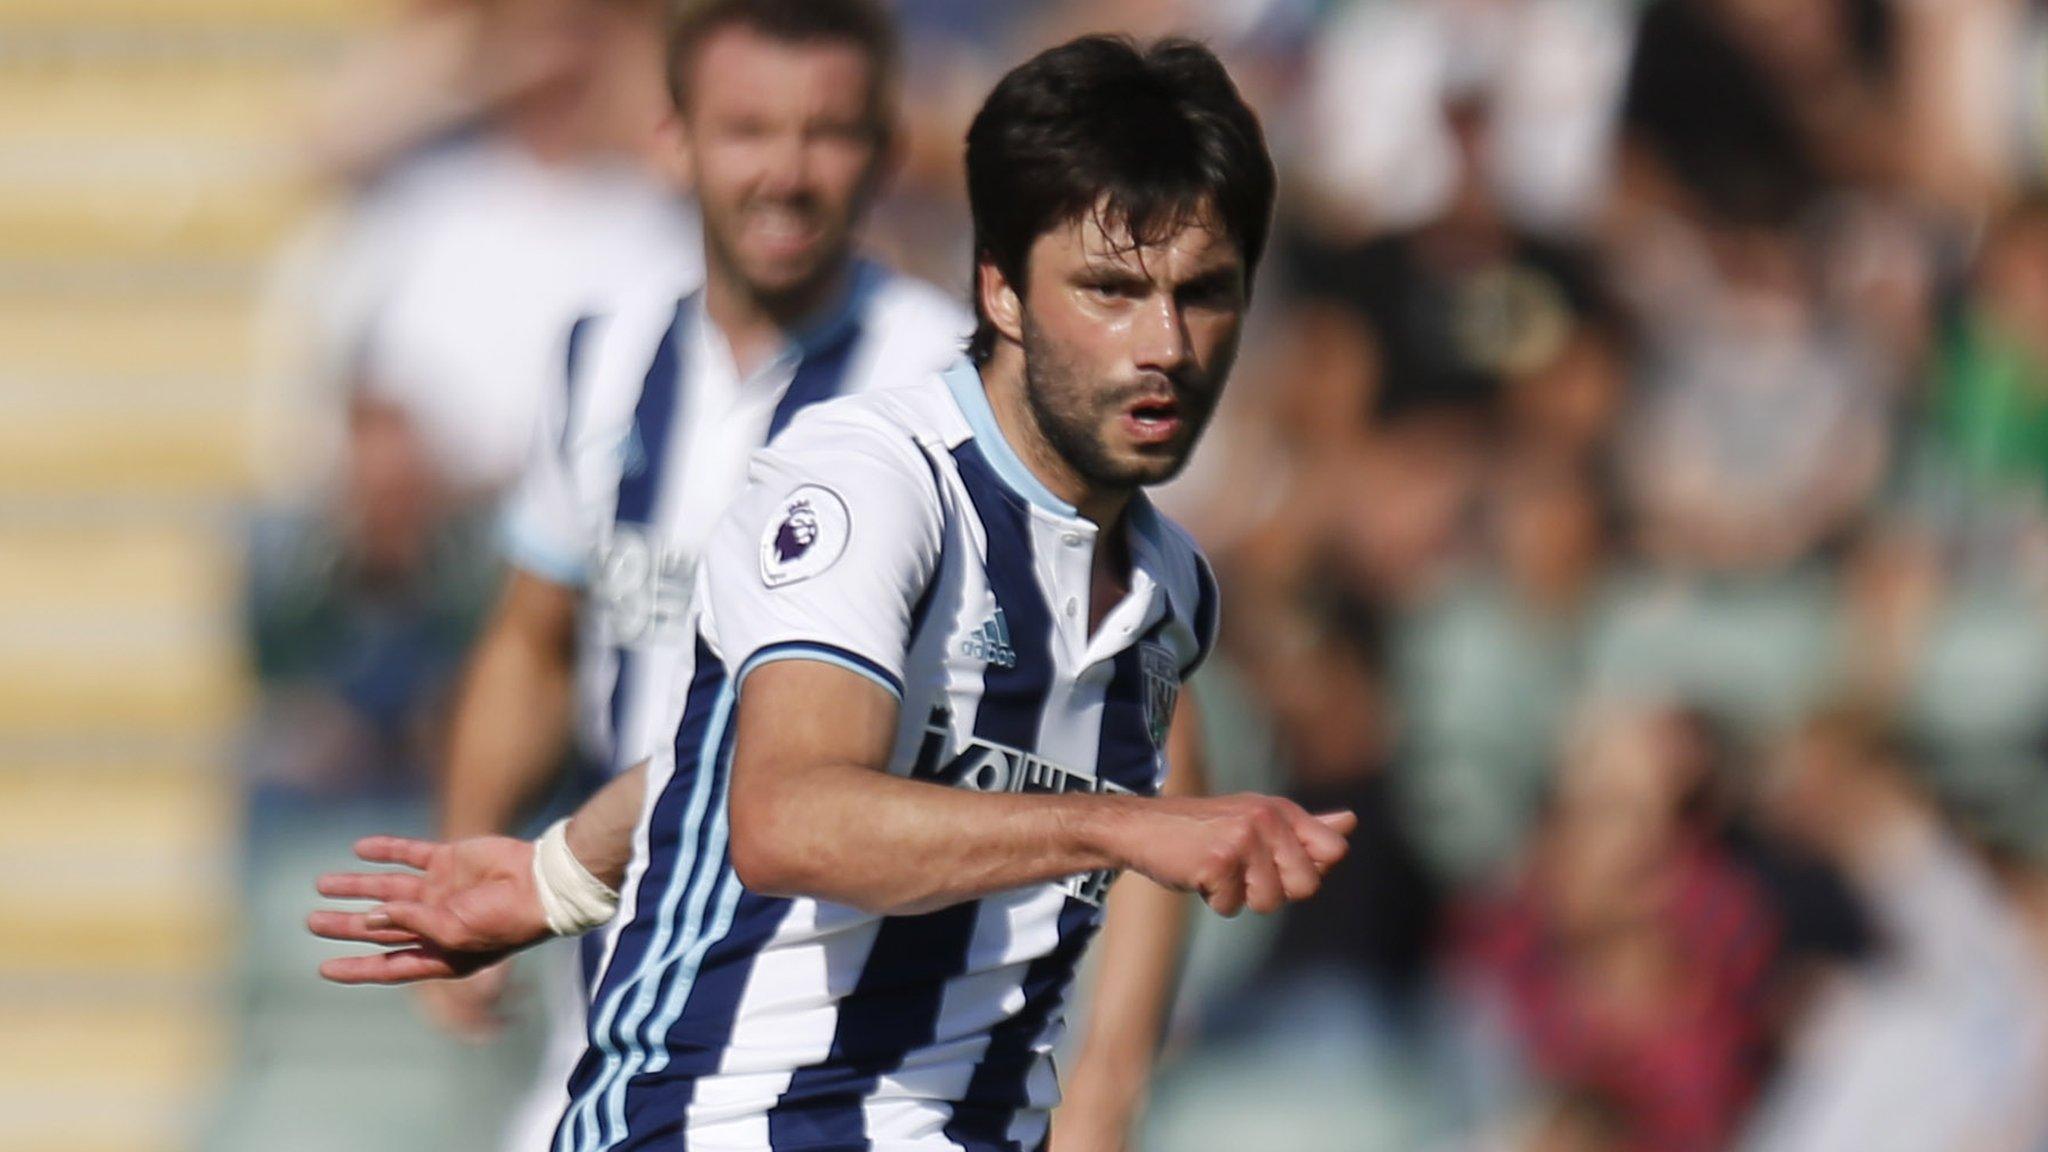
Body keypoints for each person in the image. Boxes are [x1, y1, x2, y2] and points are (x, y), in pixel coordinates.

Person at [311, 34, 1355, 1152]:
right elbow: (786, 811)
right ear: (999, 290)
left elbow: (759, 739)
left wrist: (556, 874)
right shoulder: (873, 468)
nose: (1164, 345)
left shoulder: (1163, 582)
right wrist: (1126, 829)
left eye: (1204, 295)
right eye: (1109, 291)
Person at [411, 2, 995, 1150]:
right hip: (612, 1041)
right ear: (669, 138)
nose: (784, 171)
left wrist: (1106, 1078)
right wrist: (464, 857)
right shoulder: (602, 357)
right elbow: (535, 636)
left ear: (883, 153)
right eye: (746, 129)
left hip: (857, 1074)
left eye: (826, 132)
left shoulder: (950, 391)